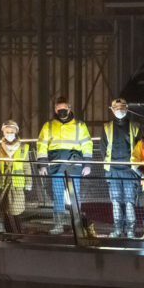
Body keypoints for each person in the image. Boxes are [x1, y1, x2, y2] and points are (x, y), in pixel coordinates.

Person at [35, 96, 93, 234]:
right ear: (55, 109)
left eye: (64, 108)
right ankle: (59, 224)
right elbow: (41, 146)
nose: (61, 111)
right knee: (58, 195)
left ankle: (77, 224)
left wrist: (88, 164)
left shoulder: (80, 125)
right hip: (56, 166)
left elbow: (87, 145)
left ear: (69, 108)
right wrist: (42, 165)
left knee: (75, 196)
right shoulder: (48, 126)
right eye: (59, 109)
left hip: (74, 166)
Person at [103, 97, 141, 238]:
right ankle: (118, 229)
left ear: (127, 108)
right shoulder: (106, 128)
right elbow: (103, 149)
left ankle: (130, 229)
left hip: (130, 170)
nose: (119, 110)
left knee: (130, 201)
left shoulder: (135, 126)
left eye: (122, 107)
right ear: (112, 110)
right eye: (116, 108)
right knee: (116, 201)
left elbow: (140, 148)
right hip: (113, 170)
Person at [0, 120, 33, 233]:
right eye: (7, 131)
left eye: (11, 131)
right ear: (3, 133)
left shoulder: (23, 148)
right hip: (3, 185)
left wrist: (28, 185)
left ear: (16, 133)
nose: (9, 134)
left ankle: (17, 233)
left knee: (15, 212)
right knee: (5, 212)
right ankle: (9, 234)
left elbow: (27, 167)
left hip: (17, 185)